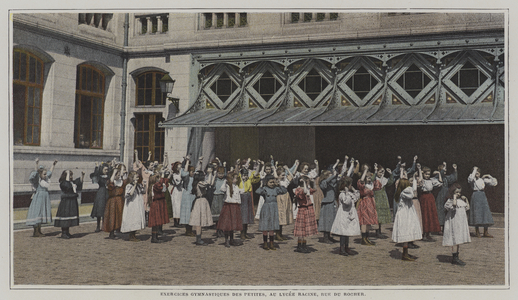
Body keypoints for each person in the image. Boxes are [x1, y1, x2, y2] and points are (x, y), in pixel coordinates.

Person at [392, 173, 422, 261]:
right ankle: (404, 255)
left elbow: (414, 190)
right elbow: (413, 193)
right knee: (406, 233)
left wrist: (414, 179)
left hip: (408, 213)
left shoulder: (404, 192)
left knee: (408, 233)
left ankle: (406, 253)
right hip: (405, 215)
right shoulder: (404, 193)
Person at [26, 158, 57, 237]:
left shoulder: (45, 179)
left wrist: (53, 164)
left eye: (45, 174)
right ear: (40, 174)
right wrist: (36, 164)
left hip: (44, 198)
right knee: (37, 212)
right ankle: (36, 231)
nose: (46, 175)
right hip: (39, 198)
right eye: (44, 174)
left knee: (42, 212)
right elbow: (35, 174)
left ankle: (39, 231)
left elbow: (50, 172)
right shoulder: (37, 180)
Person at [255, 175, 288, 250]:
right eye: (270, 182)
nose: (272, 184)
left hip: (274, 208)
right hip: (266, 208)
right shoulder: (265, 189)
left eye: (273, 182)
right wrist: (261, 184)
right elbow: (257, 191)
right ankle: (265, 243)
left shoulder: (276, 189)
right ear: (266, 182)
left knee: (272, 226)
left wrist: (279, 184)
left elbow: (284, 191)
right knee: (266, 226)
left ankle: (272, 243)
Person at [330, 176, 360, 256]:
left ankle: (347, 247)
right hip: (343, 214)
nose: (351, 186)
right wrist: (347, 193)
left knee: (347, 231)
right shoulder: (342, 194)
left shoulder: (349, 193)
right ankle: (342, 248)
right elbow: (347, 202)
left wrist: (354, 190)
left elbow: (356, 198)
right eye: (350, 184)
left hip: (349, 214)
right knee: (343, 232)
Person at [443, 183, 471, 266]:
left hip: (460, 222)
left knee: (458, 239)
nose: (458, 194)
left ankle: (456, 256)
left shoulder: (461, 201)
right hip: (454, 222)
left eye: (459, 192)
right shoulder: (450, 201)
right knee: (455, 239)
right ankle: (454, 258)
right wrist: (454, 197)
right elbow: (453, 206)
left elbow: (467, 207)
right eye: (456, 192)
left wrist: (466, 199)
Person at [468, 166, 498, 238]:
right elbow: (471, 178)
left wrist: (488, 176)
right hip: (476, 195)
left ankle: (485, 232)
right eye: (475, 171)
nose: (477, 172)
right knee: (477, 213)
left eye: (478, 171)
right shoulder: (472, 179)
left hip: (482, 195)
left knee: (485, 213)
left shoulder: (482, 180)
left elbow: (494, 183)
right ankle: (477, 232)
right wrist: (474, 169)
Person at [54, 169, 84, 239]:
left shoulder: (72, 183)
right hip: (66, 202)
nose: (71, 177)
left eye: (71, 175)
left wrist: (82, 175)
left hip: (71, 201)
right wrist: (67, 174)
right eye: (69, 175)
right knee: (65, 216)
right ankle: (64, 233)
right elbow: (67, 186)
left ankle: (67, 232)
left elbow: (79, 183)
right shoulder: (63, 183)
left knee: (69, 216)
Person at [218, 173, 244, 247]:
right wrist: (225, 182)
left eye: (236, 178)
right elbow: (222, 189)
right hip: (228, 206)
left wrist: (242, 181)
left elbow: (243, 191)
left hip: (235, 206)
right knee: (227, 224)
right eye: (234, 178)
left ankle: (232, 239)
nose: (236, 180)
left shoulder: (236, 186)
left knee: (233, 224)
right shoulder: (227, 186)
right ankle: (226, 240)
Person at [292, 176, 318, 253]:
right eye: (307, 181)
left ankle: (304, 245)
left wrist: (313, 182)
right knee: (301, 230)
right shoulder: (298, 190)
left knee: (305, 229)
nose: (308, 183)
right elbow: (305, 192)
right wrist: (303, 183)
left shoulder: (308, 188)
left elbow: (315, 189)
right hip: (302, 209)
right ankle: (300, 246)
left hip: (308, 209)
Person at [418, 165, 443, 241]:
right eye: (426, 174)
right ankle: (424, 234)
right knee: (425, 214)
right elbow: (420, 181)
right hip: (424, 197)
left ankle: (428, 233)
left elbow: (440, 182)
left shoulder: (431, 180)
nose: (427, 176)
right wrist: (420, 170)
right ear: (423, 174)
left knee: (430, 214)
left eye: (429, 174)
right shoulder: (422, 180)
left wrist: (439, 174)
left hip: (430, 197)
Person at [189, 171, 214, 245]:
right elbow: (208, 182)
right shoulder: (200, 183)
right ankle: (198, 239)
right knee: (198, 221)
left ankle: (199, 238)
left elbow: (211, 183)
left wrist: (213, 175)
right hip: (200, 201)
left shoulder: (197, 183)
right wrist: (210, 173)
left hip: (200, 201)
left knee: (199, 221)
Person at [121, 171, 146, 242]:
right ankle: (131, 235)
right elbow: (129, 194)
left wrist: (145, 185)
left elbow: (143, 192)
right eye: (136, 176)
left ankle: (134, 234)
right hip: (132, 205)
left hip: (137, 204)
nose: (137, 177)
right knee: (132, 218)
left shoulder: (138, 185)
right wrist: (134, 185)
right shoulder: (129, 185)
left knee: (136, 218)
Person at [357, 164, 379, 246]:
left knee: (368, 221)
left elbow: (377, 184)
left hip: (371, 203)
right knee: (364, 221)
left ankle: (367, 238)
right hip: (365, 203)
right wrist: (365, 171)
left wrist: (375, 171)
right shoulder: (363, 186)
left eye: (370, 177)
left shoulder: (371, 185)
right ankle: (363, 239)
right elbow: (361, 181)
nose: (369, 179)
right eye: (368, 177)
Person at [239, 160, 260, 240]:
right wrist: (237, 166)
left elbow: (255, 174)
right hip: (241, 197)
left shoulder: (249, 179)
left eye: (246, 175)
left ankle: (245, 232)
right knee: (242, 216)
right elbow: (237, 173)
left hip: (247, 197)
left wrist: (258, 166)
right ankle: (241, 233)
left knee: (247, 216)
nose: (244, 177)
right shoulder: (239, 180)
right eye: (243, 175)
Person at [371, 163, 394, 239]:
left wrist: (390, 174)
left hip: (383, 197)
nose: (382, 174)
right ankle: (377, 231)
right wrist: (375, 171)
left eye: (383, 172)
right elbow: (371, 179)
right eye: (380, 172)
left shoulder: (383, 180)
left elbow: (390, 182)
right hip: (376, 197)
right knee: (377, 214)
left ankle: (379, 231)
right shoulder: (374, 178)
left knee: (380, 215)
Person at [103, 166, 126, 239]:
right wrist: (114, 172)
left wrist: (121, 170)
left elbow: (125, 180)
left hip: (119, 200)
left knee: (119, 215)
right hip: (112, 201)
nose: (119, 176)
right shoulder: (111, 183)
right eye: (117, 175)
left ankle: (117, 229)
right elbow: (111, 183)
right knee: (112, 216)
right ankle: (111, 233)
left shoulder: (121, 182)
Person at [318, 165, 339, 244]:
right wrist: (333, 175)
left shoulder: (331, 184)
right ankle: (325, 237)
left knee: (331, 220)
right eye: (329, 175)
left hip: (332, 202)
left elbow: (336, 181)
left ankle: (330, 236)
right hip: (327, 203)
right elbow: (326, 182)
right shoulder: (323, 183)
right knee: (327, 221)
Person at [435, 162, 458, 234]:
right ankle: (439, 228)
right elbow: (440, 175)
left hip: (446, 194)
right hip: (440, 195)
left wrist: (455, 170)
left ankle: (445, 227)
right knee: (440, 210)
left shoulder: (446, 178)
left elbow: (453, 178)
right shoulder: (437, 176)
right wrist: (444, 166)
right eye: (443, 170)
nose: (444, 171)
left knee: (446, 210)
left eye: (445, 170)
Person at [147, 171, 170, 243]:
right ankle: (154, 237)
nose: (159, 179)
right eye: (157, 177)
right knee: (155, 221)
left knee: (157, 221)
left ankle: (156, 236)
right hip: (156, 204)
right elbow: (162, 188)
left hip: (158, 203)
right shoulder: (156, 185)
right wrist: (163, 178)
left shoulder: (154, 185)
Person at [90, 162, 110, 233]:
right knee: (100, 209)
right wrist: (96, 167)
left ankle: (104, 226)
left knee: (106, 209)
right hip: (101, 193)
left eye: (107, 170)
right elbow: (95, 175)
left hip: (107, 193)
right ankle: (98, 226)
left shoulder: (109, 176)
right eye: (105, 170)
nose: (106, 171)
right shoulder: (99, 177)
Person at [275, 166, 294, 241]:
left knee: (284, 216)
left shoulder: (285, 180)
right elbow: (276, 177)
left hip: (286, 197)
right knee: (280, 215)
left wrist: (287, 170)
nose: (284, 176)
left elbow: (291, 177)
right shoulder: (277, 181)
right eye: (282, 175)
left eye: (284, 174)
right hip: (280, 198)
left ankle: (281, 233)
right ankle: (277, 234)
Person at [169, 161, 183, 227]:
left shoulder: (181, 173)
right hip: (176, 191)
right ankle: (175, 222)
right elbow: (178, 183)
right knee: (176, 205)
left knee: (180, 205)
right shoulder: (175, 175)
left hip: (181, 191)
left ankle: (180, 221)